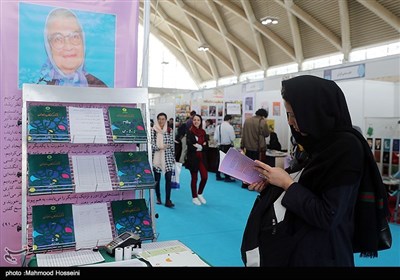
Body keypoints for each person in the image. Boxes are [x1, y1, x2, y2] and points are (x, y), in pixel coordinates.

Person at [241, 75, 390, 267]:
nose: (291, 122)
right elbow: (307, 185)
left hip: (325, 254)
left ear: (314, 111)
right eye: (288, 114)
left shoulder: (346, 149)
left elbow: (328, 215)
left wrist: (286, 183)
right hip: (302, 249)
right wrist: (272, 183)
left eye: (294, 115)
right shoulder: (315, 142)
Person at [37, 8, 107, 87]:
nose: (68, 47)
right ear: (49, 48)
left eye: (74, 36)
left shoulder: (99, 86)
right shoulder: (38, 88)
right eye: (58, 39)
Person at [240, 108, 270, 188]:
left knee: (247, 166)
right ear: (263, 115)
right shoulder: (262, 122)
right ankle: (254, 184)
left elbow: (243, 134)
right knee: (257, 168)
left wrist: (242, 145)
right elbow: (267, 134)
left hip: (247, 147)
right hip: (258, 148)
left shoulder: (247, 121)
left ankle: (245, 183)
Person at [151, 113, 175, 208]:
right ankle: (158, 197)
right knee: (157, 179)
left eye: (163, 119)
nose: (161, 121)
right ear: (157, 120)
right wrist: (160, 147)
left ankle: (168, 200)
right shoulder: (153, 131)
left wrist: (173, 156)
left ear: (166, 120)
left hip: (167, 156)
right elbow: (152, 145)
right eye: (159, 119)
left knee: (168, 178)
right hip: (157, 157)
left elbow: (171, 144)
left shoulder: (169, 130)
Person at [185, 114, 209, 206]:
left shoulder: (203, 132)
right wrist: (201, 145)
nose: (196, 121)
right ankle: (194, 197)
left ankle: (200, 193)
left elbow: (206, 146)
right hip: (193, 158)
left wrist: (200, 146)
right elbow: (190, 146)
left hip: (202, 158)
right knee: (194, 178)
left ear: (200, 121)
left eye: (198, 120)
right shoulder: (190, 132)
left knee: (204, 177)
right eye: (194, 120)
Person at [214, 114, 236, 182]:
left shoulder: (218, 127)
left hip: (220, 146)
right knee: (227, 162)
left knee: (219, 161)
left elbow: (215, 138)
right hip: (227, 146)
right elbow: (233, 138)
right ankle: (227, 177)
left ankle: (218, 175)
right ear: (229, 119)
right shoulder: (230, 127)